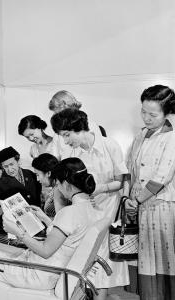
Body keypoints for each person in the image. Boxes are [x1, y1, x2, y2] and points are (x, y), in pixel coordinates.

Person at [0, 157, 100, 299]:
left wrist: (17, 232)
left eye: (58, 183)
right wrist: (44, 218)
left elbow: (45, 251)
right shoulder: (89, 209)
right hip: (50, 268)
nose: (59, 188)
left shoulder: (69, 212)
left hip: (40, 272)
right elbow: (69, 238)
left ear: (67, 183)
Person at [51, 108, 129, 300]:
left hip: (109, 208)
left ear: (80, 128)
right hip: (86, 209)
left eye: (67, 135)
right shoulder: (71, 152)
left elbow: (120, 181)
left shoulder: (109, 146)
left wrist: (99, 189)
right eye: (62, 136)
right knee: (85, 256)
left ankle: (99, 297)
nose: (66, 141)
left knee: (101, 255)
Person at [124, 85, 175, 300]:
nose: (146, 118)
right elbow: (130, 169)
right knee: (145, 257)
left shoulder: (171, 138)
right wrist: (128, 198)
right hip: (140, 206)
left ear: (167, 113)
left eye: (152, 114)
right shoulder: (141, 135)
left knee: (164, 257)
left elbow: (162, 177)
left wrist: (137, 199)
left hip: (161, 206)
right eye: (143, 111)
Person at [0, 146, 40, 232]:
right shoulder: (1, 183)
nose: (10, 169)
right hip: (16, 225)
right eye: (5, 166)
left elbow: (38, 198)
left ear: (18, 161)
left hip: (35, 221)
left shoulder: (31, 175)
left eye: (11, 164)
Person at [47, 90, 107, 160]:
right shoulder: (58, 133)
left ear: (64, 106)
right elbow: (55, 155)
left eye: (56, 112)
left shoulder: (91, 125)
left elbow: (99, 154)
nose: (56, 116)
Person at [31, 153, 60, 218]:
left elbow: (60, 222)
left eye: (38, 175)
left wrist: (43, 217)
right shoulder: (55, 188)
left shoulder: (60, 191)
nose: (37, 179)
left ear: (48, 173)